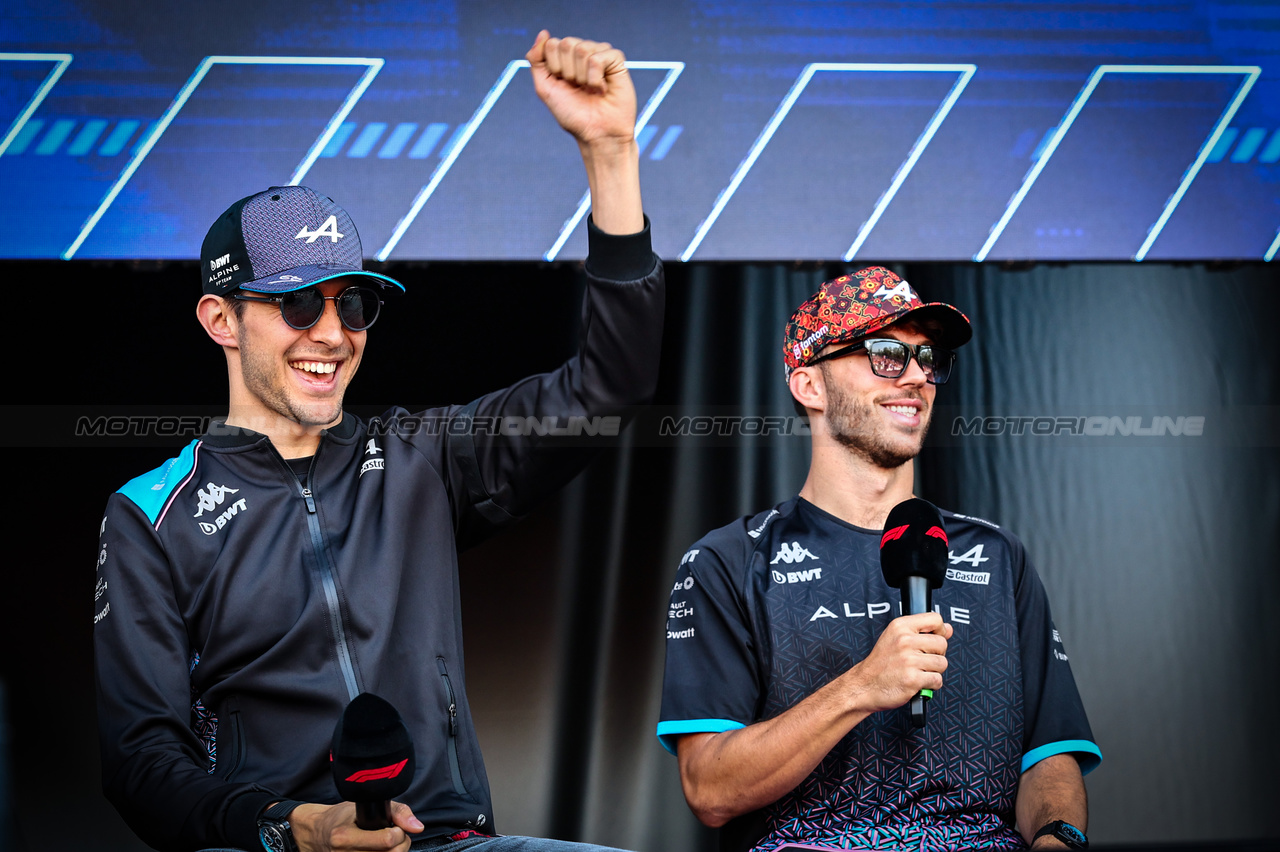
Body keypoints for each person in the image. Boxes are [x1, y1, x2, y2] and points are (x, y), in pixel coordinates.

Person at [93, 31, 662, 852]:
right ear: (221, 319)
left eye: (352, 305)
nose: (331, 333)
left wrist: (611, 154)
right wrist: (297, 828)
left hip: (448, 843)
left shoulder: (419, 459)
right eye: (297, 305)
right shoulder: (149, 514)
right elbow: (141, 763)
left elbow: (611, 386)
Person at [657, 268, 1101, 851]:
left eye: (927, 359)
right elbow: (709, 789)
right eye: (886, 354)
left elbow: (1049, 756)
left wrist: (1055, 842)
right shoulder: (728, 562)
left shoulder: (998, 556)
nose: (917, 376)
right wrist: (863, 685)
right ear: (810, 386)